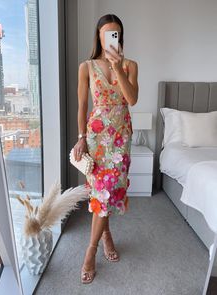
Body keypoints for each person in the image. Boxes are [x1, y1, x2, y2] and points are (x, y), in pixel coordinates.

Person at [73, 13, 139, 284]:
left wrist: (119, 66)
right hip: (97, 138)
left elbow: (132, 100)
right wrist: (80, 137)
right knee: (102, 193)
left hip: (121, 138)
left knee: (110, 191)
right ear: (98, 36)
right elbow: (82, 106)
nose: (113, 38)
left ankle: (106, 236)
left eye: (117, 34)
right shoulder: (86, 67)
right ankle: (92, 250)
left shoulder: (130, 65)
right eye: (108, 33)